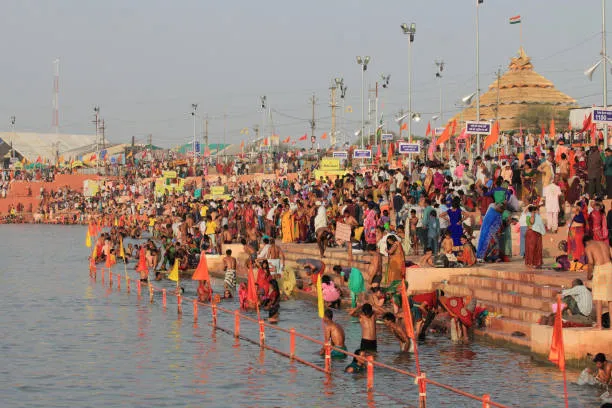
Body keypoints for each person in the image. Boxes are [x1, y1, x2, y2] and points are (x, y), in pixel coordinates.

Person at [585, 236, 612, 330]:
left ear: (586, 242)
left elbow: (591, 262)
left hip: (599, 269)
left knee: (598, 298)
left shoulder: (588, 247)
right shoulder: (605, 244)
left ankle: (599, 325)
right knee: (610, 298)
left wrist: (589, 275)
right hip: (609, 267)